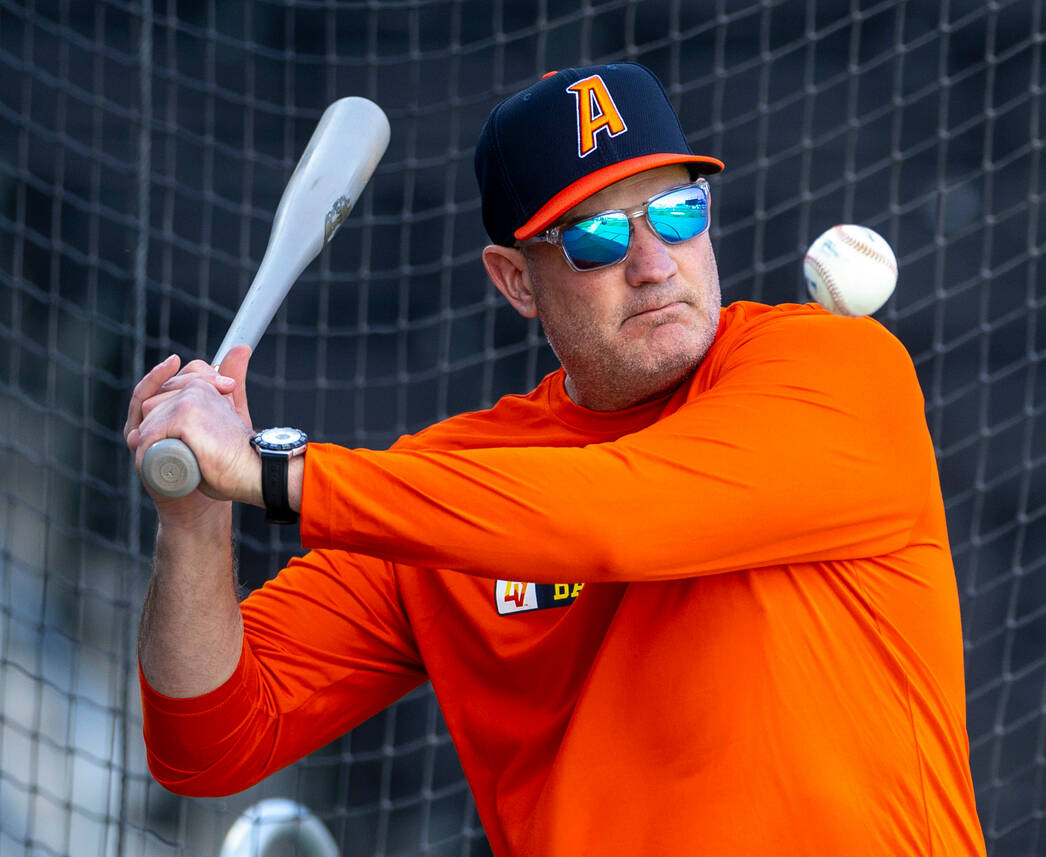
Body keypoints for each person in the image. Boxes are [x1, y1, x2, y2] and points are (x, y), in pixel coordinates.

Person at [125, 62, 986, 856]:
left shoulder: (838, 369)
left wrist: (271, 472)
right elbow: (207, 745)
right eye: (598, 238)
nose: (654, 264)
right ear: (516, 280)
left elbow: (616, 514)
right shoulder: (448, 488)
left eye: (680, 212)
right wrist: (197, 513)